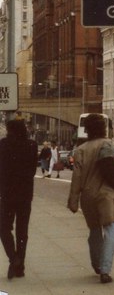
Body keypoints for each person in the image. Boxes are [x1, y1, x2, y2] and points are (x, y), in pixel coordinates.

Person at [67, 113, 114, 285]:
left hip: (89, 197)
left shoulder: (81, 150)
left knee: (95, 231)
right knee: (111, 230)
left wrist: (73, 200)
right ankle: (105, 269)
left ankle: (96, 264)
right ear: (104, 128)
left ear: (87, 130)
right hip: (111, 196)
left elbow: (77, 178)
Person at [0, 119, 38, 279]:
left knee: (3, 228)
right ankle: (20, 266)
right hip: (25, 194)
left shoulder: (2, 144)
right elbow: (33, 169)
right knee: (23, 231)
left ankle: (13, 258)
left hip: (6, 193)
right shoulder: (32, 145)